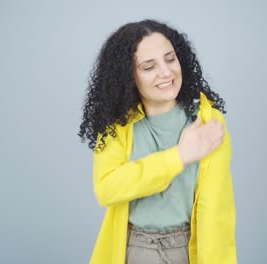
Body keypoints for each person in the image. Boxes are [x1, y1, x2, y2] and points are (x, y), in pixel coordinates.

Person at [78, 19, 237, 264]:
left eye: (170, 58)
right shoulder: (117, 126)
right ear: (129, 76)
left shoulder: (208, 120)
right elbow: (107, 189)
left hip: (189, 249)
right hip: (134, 249)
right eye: (148, 66)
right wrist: (179, 156)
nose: (166, 72)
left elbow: (216, 210)